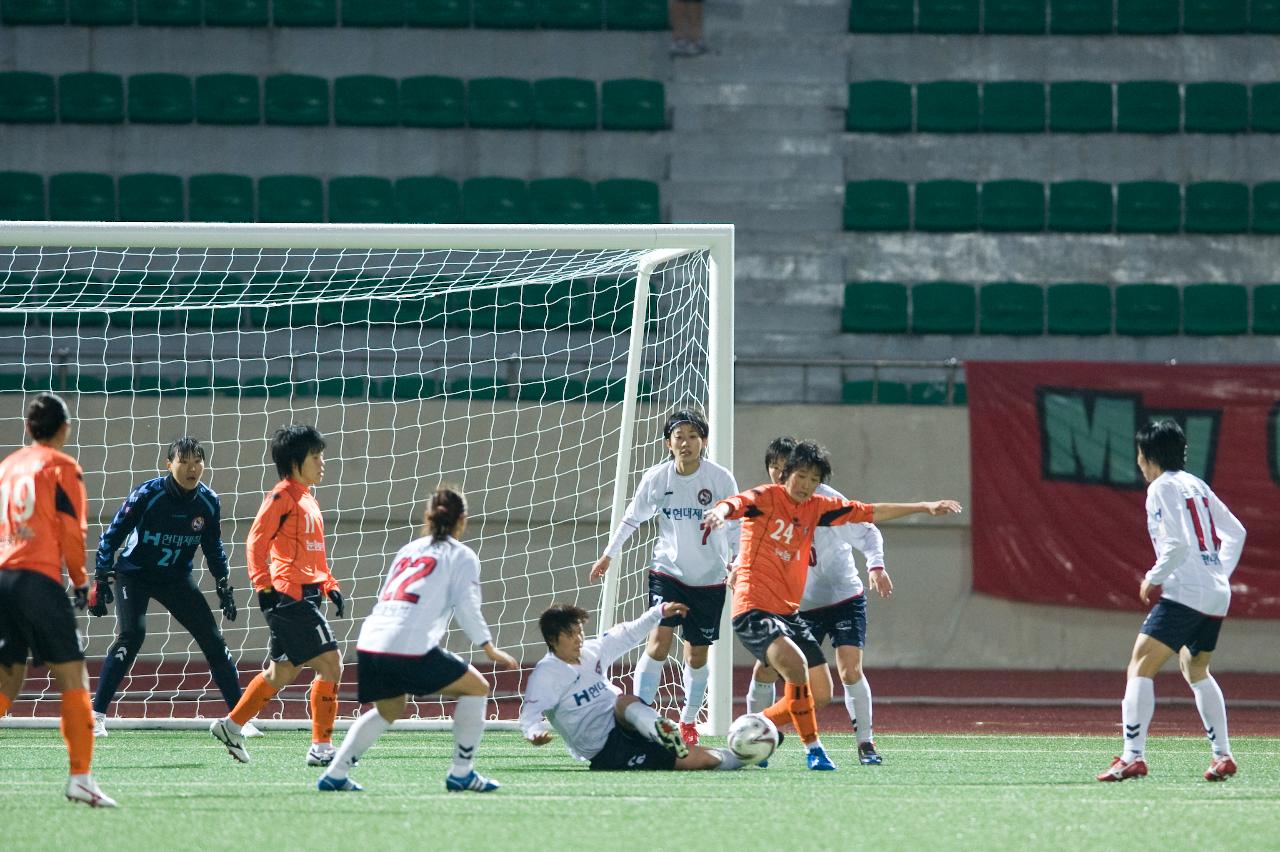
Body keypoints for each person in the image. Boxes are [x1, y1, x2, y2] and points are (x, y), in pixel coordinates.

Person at [702, 440, 961, 771]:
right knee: (793, 667)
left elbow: (871, 511)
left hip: (789, 611)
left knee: (821, 694)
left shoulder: (817, 507)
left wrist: (924, 506)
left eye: (813, 479)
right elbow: (735, 503)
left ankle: (755, 729)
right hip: (754, 608)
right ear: (785, 474)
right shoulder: (765, 497)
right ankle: (815, 749)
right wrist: (718, 512)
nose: (806, 485)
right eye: (800, 476)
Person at [317, 486, 519, 793]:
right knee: (477, 688)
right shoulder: (461, 556)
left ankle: (335, 773)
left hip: (371, 640)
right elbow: (467, 606)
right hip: (406, 645)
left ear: (428, 516)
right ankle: (462, 772)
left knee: (390, 710)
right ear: (462, 520)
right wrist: (488, 646)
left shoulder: (409, 549)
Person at [1097, 420, 1246, 783]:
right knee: (1196, 670)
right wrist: (1217, 574)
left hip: (1187, 593)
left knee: (1139, 666)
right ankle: (1222, 756)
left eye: (1139, 455)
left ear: (1148, 456)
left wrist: (1154, 576)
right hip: (1214, 593)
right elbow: (1236, 532)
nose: (1138, 462)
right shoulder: (1196, 483)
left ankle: (1133, 756)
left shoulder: (1161, 487)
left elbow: (1176, 543)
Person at [88, 437, 258, 738]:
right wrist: (101, 575)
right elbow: (112, 536)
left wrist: (223, 584)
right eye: (184, 462)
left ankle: (238, 720)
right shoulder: (147, 495)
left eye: (197, 462)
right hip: (135, 575)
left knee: (214, 641)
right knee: (133, 634)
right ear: (169, 464)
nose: (192, 468)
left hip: (176, 579)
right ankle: (96, 715)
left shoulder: (208, 501)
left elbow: (213, 547)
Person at [588, 409, 738, 746]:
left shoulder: (719, 478)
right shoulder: (657, 477)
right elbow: (631, 518)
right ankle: (643, 717)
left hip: (710, 578)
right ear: (668, 443)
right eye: (679, 437)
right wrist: (609, 554)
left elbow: (735, 524)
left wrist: (739, 562)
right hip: (667, 572)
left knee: (696, 654)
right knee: (658, 642)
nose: (686, 443)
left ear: (704, 441)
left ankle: (687, 721)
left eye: (693, 437)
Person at [744, 436, 891, 766]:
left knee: (850, 670)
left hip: (843, 597)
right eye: (776, 469)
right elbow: (740, 537)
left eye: (789, 469)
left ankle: (865, 743)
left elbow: (867, 528)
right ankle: (757, 737)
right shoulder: (766, 502)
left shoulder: (825, 501)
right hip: (798, 606)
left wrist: (876, 564)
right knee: (766, 668)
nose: (782, 475)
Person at [0, 393, 115, 807]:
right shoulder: (63, 467)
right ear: (65, 428)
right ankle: (80, 777)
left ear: (28, 429)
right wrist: (83, 582)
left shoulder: (7, 467)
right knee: (73, 676)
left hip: (3, 577)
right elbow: (72, 531)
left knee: (9, 680)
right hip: (38, 579)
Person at [210, 425, 345, 766]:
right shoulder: (281, 496)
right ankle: (321, 748)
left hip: (309, 595)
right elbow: (256, 542)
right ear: (295, 461)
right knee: (331, 665)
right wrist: (263, 588)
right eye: (315, 456)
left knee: (280, 673)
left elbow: (315, 555)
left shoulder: (308, 500)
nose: (322, 462)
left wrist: (330, 585)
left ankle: (231, 726)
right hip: (289, 598)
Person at [520, 601, 750, 771]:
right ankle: (749, 755)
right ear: (552, 639)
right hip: (607, 749)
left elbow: (628, 633)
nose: (579, 639)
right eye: (571, 635)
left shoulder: (591, 651)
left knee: (624, 700)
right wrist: (535, 733)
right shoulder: (546, 674)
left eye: (580, 631)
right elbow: (529, 717)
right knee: (704, 760)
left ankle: (661, 730)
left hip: (625, 720)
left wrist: (658, 612)